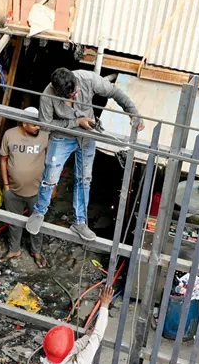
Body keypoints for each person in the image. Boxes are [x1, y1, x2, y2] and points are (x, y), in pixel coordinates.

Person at [29, 67, 141, 242]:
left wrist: (132, 112)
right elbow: (45, 125)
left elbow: (114, 91)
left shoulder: (88, 79)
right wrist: (76, 122)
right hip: (61, 138)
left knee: (84, 179)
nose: (75, 96)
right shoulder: (47, 95)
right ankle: (39, 212)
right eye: (70, 96)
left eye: (75, 92)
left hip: (86, 137)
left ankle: (80, 222)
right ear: (58, 92)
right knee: (50, 177)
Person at [0, 106, 49, 267]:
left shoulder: (45, 136)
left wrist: (50, 186)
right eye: (34, 124)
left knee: (37, 223)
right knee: (14, 223)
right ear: (25, 122)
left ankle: (37, 251)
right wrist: (6, 186)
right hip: (13, 190)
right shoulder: (10, 135)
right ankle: (14, 249)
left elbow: (52, 161)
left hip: (37, 192)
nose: (38, 127)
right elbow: (3, 160)